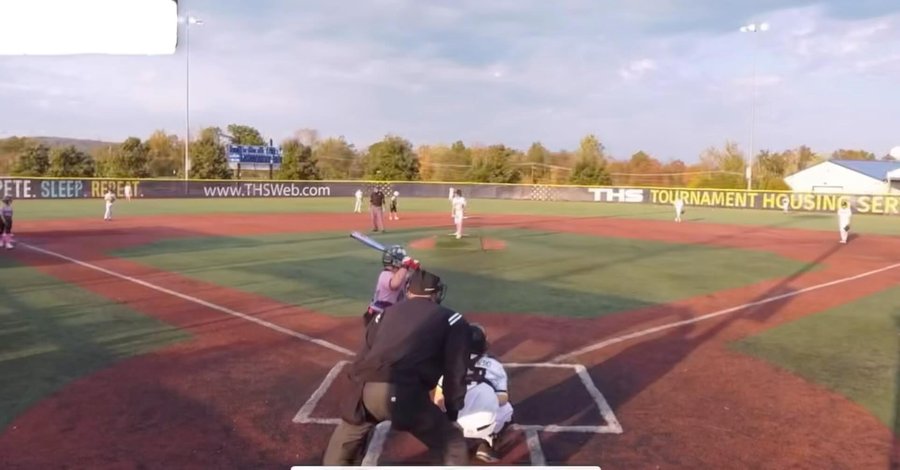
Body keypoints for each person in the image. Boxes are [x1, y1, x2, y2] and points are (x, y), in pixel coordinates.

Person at [322, 270, 471, 466]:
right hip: (406, 394)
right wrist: (452, 411)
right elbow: (455, 370)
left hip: (365, 392)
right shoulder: (453, 319)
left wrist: (354, 404)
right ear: (435, 294)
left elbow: (361, 360)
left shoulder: (383, 315)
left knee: (342, 450)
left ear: (408, 291)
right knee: (454, 445)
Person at [433, 323, 514, 463]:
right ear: (483, 344)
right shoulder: (495, 366)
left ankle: (448, 444)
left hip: (453, 427)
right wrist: (485, 399)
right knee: (507, 410)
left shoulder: (450, 364)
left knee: (440, 409)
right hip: (484, 426)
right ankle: (488, 445)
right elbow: (503, 399)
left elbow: (438, 400)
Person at [364, 245, 420, 326]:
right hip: (378, 316)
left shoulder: (402, 275)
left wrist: (417, 269)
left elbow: (417, 282)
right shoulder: (385, 274)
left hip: (392, 315)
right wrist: (405, 266)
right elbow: (395, 284)